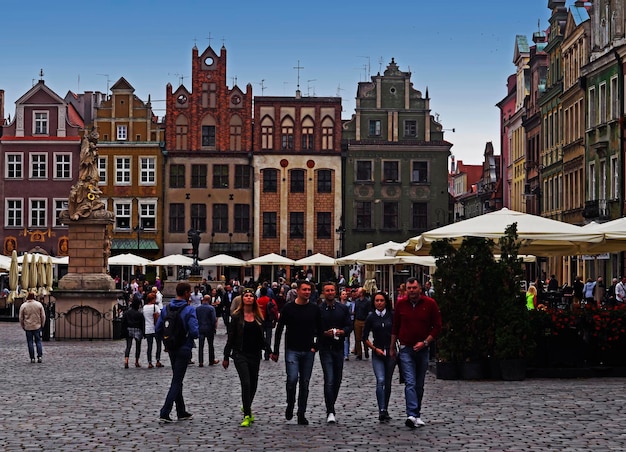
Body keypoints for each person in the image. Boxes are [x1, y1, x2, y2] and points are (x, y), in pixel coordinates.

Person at [390, 277, 441, 429]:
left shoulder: (430, 304)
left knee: (419, 384)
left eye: (414, 288)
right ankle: (411, 414)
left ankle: (416, 414)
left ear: (420, 289)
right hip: (406, 348)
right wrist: (392, 347)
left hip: (423, 349)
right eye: (409, 288)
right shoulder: (401, 304)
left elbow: (437, 326)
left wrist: (425, 342)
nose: (411, 291)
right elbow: (395, 327)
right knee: (410, 382)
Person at [271, 280, 322, 425]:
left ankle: (301, 412)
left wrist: (316, 346)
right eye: (304, 290)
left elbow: (320, 329)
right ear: (297, 291)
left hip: (308, 350)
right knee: (292, 379)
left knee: (305, 383)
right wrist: (275, 350)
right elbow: (279, 329)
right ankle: (290, 402)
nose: (307, 292)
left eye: (309, 290)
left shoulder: (314, 309)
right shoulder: (288, 308)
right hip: (292, 349)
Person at [223, 288, 271, 427]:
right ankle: (247, 415)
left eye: (251, 296)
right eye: (246, 296)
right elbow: (231, 337)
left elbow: (261, 338)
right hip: (240, 354)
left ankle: (247, 405)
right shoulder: (237, 317)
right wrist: (226, 356)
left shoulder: (258, 317)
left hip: (255, 354)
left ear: (254, 299)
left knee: (254, 383)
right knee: (246, 383)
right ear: (242, 299)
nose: (249, 298)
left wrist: (270, 350)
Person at [156, 282, 199, 422]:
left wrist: (167, 339)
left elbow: (158, 328)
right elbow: (194, 331)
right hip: (184, 347)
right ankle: (165, 411)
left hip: (171, 347)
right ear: (186, 293)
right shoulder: (189, 310)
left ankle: (181, 410)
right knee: (177, 380)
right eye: (190, 292)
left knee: (177, 378)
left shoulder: (166, 308)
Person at [317, 281, 352, 423]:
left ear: (335, 292)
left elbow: (349, 325)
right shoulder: (319, 309)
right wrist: (324, 333)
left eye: (332, 290)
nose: (330, 293)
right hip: (325, 348)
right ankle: (330, 410)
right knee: (329, 379)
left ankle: (331, 404)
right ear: (323, 293)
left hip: (338, 348)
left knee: (337, 380)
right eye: (327, 291)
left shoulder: (342, 308)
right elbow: (316, 328)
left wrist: (343, 331)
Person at [363, 291, 395, 422]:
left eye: (381, 300)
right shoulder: (371, 317)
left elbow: (397, 332)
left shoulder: (392, 315)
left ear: (386, 302)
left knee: (387, 382)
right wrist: (374, 349)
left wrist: (393, 348)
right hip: (378, 352)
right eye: (377, 301)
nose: (379, 303)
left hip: (391, 352)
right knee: (380, 380)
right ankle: (381, 409)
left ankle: (385, 408)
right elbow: (364, 338)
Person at [18, 292, 46, 363]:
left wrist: (22, 325)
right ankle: (39, 356)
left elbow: (21, 317)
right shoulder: (38, 304)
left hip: (28, 326)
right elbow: (43, 316)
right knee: (38, 341)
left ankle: (32, 358)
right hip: (37, 325)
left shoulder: (24, 306)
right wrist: (42, 324)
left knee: (30, 342)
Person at [197, 295, 219, 367]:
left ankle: (200, 361)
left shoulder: (198, 308)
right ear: (209, 300)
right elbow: (213, 319)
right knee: (210, 345)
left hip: (200, 328)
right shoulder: (211, 308)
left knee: (201, 346)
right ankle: (211, 360)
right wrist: (214, 327)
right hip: (209, 328)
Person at [143, 292, 163, 368]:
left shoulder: (144, 307)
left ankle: (149, 362)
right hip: (155, 329)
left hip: (147, 328)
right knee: (158, 345)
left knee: (149, 346)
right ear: (153, 299)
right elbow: (159, 317)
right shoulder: (155, 307)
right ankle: (157, 360)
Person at [123, 298, 144, 368]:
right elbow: (142, 324)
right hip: (137, 330)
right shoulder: (140, 314)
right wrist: (143, 332)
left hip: (129, 329)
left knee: (128, 346)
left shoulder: (126, 313)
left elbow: (124, 323)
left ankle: (126, 360)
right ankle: (136, 361)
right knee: (138, 347)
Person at [353, 287, 372, 360]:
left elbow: (369, 312)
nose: (357, 292)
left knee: (364, 338)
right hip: (357, 320)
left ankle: (366, 350)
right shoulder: (357, 301)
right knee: (357, 339)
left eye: (358, 292)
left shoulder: (367, 301)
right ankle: (359, 354)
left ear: (361, 293)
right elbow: (355, 311)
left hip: (364, 321)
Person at [339, 289, 353, 361]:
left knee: (346, 339)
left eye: (345, 294)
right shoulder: (337, 304)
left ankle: (346, 354)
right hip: (339, 322)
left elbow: (350, 313)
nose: (345, 296)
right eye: (343, 294)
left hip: (346, 322)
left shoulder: (349, 304)